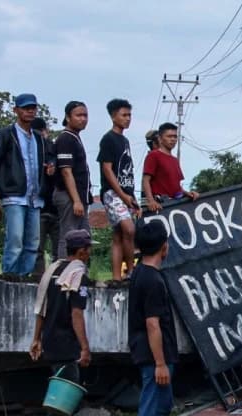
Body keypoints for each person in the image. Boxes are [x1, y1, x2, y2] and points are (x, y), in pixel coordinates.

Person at [30, 229, 94, 416]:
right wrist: (85, 347)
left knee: (61, 390)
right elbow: (77, 314)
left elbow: (41, 308)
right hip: (67, 342)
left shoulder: (53, 270)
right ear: (81, 251)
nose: (90, 252)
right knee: (65, 395)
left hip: (50, 338)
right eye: (88, 248)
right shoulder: (79, 276)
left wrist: (36, 338)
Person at [129, 220, 180, 416]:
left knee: (162, 404)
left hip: (152, 352)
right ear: (163, 247)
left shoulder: (140, 273)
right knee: (152, 405)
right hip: (154, 355)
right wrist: (160, 362)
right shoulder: (152, 280)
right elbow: (152, 324)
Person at [0, 93, 52, 276]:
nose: (30, 111)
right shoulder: (6, 134)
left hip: (34, 196)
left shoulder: (39, 138)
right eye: (25, 108)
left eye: (33, 108)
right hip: (14, 194)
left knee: (33, 242)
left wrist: (51, 165)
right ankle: (10, 277)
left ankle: (24, 278)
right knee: (15, 240)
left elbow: (51, 154)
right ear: (16, 110)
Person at [99, 99, 141, 281]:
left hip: (126, 192)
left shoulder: (124, 140)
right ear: (113, 116)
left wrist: (130, 196)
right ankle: (131, 270)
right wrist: (122, 195)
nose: (128, 119)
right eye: (124, 115)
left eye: (129, 115)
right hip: (113, 193)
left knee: (119, 235)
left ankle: (117, 276)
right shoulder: (108, 139)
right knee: (129, 229)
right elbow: (107, 169)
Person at [54, 101, 92, 259]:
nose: (83, 119)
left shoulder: (75, 138)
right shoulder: (65, 139)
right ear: (68, 117)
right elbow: (66, 171)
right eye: (78, 115)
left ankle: (78, 272)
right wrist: (76, 200)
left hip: (80, 196)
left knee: (83, 238)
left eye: (85, 115)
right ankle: (64, 272)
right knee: (69, 237)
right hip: (68, 196)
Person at [142, 123, 198, 213]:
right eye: (169, 136)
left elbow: (175, 186)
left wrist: (188, 193)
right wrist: (151, 201)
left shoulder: (175, 160)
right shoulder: (153, 155)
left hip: (174, 206)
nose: (173, 139)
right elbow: (145, 180)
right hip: (160, 206)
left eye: (175, 137)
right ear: (160, 139)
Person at [32, 117, 59, 276]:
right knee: (58, 251)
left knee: (37, 249)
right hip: (54, 205)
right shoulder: (53, 148)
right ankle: (56, 278)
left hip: (38, 206)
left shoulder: (30, 150)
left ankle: (38, 279)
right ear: (45, 131)